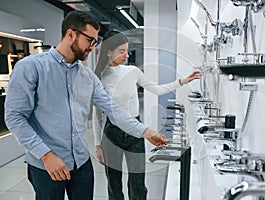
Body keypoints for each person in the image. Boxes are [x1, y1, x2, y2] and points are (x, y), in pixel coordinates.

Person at [4, 11, 168, 200]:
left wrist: (147, 132)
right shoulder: (31, 67)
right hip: (46, 165)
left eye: (95, 42)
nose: (93, 47)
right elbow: (15, 117)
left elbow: (112, 110)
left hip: (81, 163)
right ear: (71, 34)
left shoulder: (87, 76)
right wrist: (46, 155)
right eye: (90, 40)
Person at [93, 30, 201, 200]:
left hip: (135, 132)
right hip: (111, 133)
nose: (127, 55)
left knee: (138, 185)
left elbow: (156, 89)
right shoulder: (100, 78)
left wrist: (182, 81)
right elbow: (97, 114)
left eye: (127, 51)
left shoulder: (132, 71)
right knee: (114, 185)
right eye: (122, 51)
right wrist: (98, 145)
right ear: (109, 52)